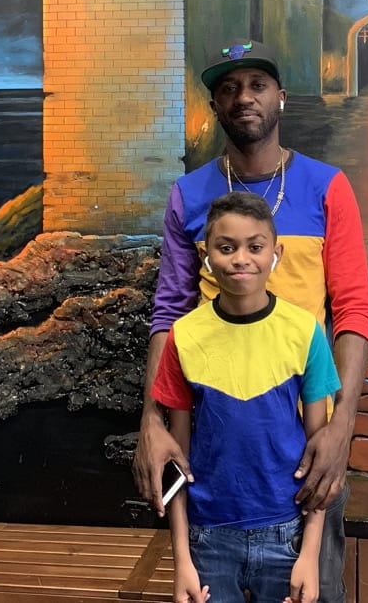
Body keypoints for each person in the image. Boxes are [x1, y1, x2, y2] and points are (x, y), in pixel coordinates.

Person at [134, 39, 368, 603]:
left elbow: (353, 309)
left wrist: (340, 427)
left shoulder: (327, 187)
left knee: (311, 588)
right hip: (216, 439)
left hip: (306, 435)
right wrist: (151, 421)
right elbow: (170, 312)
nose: (244, 97)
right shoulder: (188, 195)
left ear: (280, 98)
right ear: (215, 106)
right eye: (229, 88)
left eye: (257, 85)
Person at [152, 192, 340, 603]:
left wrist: (310, 554)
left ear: (276, 253)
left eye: (255, 247)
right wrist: (181, 559)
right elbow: (178, 458)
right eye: (226, 247)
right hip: (208, 536)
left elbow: (320, 455)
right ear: (206, 256)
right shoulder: (184, 336)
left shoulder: (304, 331)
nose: (241, 259)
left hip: (286, 533)